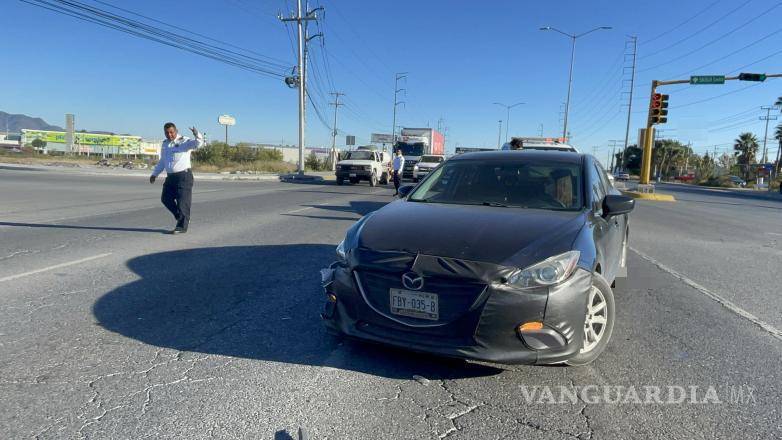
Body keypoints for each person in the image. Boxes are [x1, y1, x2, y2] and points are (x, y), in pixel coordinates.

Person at [149, 122, 204, 234]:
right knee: (165, 199)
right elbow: (163, 161)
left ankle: (182, 226)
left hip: (183, 176)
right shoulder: (165, 144)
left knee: (182, 202)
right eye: (167, 132)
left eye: (171, 132)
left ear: (176, 131)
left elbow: (198, 144)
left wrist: (196, 134)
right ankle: (181, 217)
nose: (169, 135)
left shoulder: (184, 141)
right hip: (171, 177)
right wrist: (155, 174)